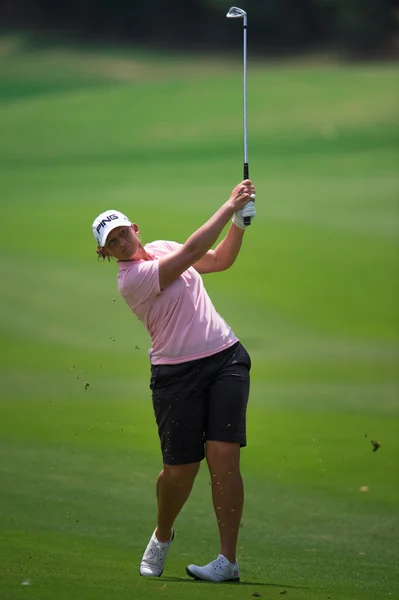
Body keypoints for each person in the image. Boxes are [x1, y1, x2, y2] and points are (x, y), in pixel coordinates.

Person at [92, 179, 256, 583]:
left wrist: (240, 223)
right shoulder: (132, 279)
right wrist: (229, 205)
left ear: (136, 229)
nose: (121, 242)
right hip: (176, 375)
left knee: (224, 458)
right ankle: (163, 535)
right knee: (179, 471)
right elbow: (194, 250)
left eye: (123, 232)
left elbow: (218, 260)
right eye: (112, 242)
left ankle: (227, 561)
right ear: (106, 252)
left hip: (225, 359)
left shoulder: (162, 248)